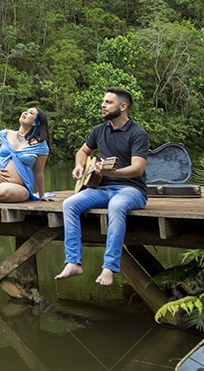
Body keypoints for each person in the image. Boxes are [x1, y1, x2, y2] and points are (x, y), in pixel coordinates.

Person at [54, 87, 149, 286]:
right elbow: (83, 152)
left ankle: (109, 267)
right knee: (70, 204)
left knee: (116, 205)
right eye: (103, 101)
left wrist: (112, 173)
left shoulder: (138, 133)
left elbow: (138, 169)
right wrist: (79, 166)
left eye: (108, 102)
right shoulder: (99, 130)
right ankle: (73, 262)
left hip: (132, 190)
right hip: (102, 188)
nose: (103, 105)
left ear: (123, 107)